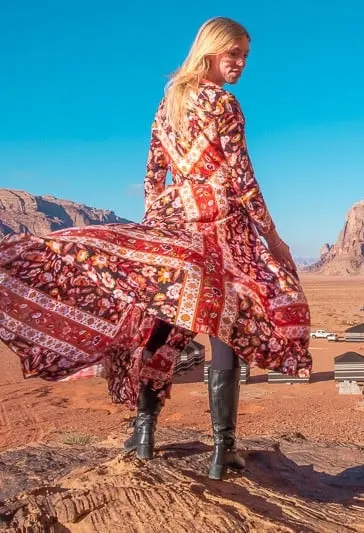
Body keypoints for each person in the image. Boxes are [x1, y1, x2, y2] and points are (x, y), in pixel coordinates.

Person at [0, 16, 312, 480]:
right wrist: (275, 238)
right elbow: (242, 179)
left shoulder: (169, 104)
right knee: (229, 321)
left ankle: (145, 433)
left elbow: (152, 173)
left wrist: (156, 227)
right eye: (234, 55)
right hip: (222, 226)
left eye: (246, 56)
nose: (241, 64)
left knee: (163, 321)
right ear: (210, 51)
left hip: (175, 220)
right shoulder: (225, 103)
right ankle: (221, 450)